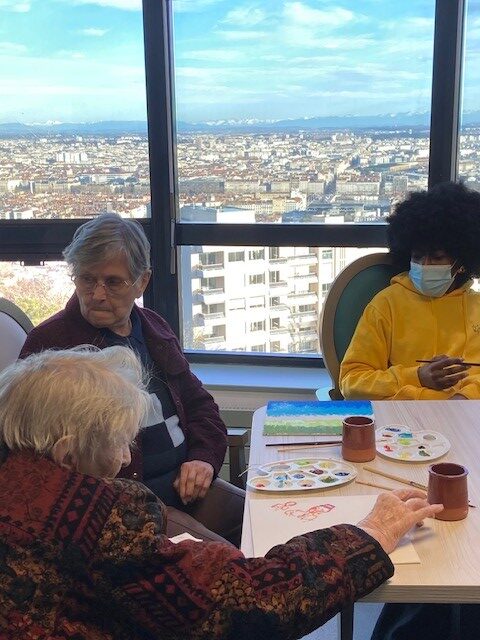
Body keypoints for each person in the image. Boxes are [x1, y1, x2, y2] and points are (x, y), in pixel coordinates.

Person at [0, 347, 442, 639]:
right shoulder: (96, 516)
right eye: (118, 442)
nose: (124, 457)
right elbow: (251, 603)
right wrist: (368, 534)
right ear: (67, 455)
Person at [19, 213, 244, 546]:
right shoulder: (51, 346)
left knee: (264, 517)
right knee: (225, 561)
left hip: (184, 484)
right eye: (86, 279)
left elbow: (199, 405)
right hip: (123, 506)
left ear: (142, 282)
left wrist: (203, 458)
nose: (97, 294)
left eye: (113, 282)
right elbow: (30, 457)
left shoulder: (154, 328)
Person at [340, 181, 480, 400]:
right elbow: (352, 382)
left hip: (467, 417)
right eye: (417, 256)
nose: (425, 265)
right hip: (403, 418)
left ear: (461, 262)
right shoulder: (386, 304)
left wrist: (466, 397)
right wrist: (417, 377)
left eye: (437, 257)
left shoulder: (477, 308)